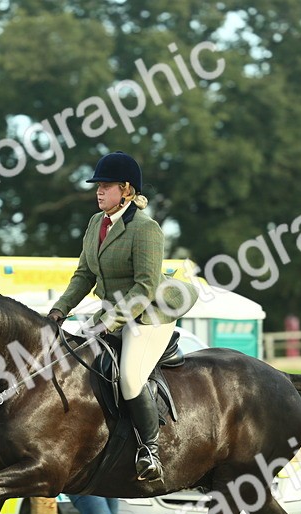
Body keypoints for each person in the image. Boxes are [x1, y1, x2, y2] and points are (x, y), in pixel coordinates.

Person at [46, 151, 199, 482]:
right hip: (110, 313)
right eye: (98, 186)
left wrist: (107, 322)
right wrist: (60, 310)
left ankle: (150, 450)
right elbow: (84, 274)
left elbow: (144, 288)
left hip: (146, 317)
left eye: (106, 186)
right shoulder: (95, 224)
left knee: (130, 377)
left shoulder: (146, 229)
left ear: (127, 190)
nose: (99, 191)